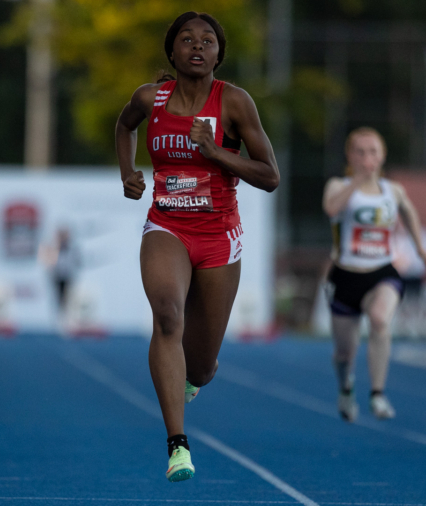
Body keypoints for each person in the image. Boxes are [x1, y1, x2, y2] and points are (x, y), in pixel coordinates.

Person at [115, 11, 279, 482]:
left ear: (218, 55)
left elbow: (270, 176)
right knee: (167, 315)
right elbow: (124, 127)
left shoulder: (235, 103)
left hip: (218, 238)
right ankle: (177, 445)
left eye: (208, 40)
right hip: (166, 226)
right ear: (172, 52)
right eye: (187, 39)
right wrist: (127, 172)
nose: (197, 46)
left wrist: (217, 154)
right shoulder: (151, 97)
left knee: (202, 367)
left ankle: (192, 377)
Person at [322, 127, 426, 422]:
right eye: (359, 152)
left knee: (379, 319)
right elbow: (331, 208)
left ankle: (377, 393)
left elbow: (408, 212)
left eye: (372, 151)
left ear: (382, 156)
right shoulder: (338, 185)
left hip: (382, 272)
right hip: (346, 275)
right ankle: (346, 387)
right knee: (344, 353)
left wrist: (421, 250)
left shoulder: (392, 190)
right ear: (350, 156)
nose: (366, 157)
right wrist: (357, 181)